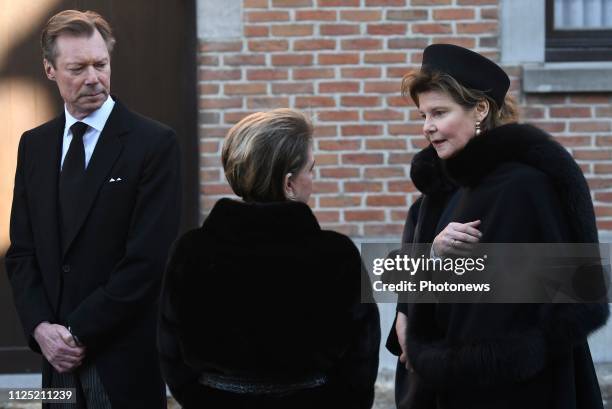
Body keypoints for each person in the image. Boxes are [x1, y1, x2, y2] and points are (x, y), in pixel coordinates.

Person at [386, 44, 610, 409]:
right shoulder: (435, 191)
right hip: (445, 387)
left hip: (517, 390)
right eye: (423, 114)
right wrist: (411, 300)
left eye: (439, 113)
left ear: (480, 109)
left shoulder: (525, 186)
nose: (428, 127)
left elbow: (573, 291)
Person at [5, 10, 180, 409]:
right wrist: (41, 330)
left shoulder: (153, 144)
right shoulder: (34, 146)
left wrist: (75, 332)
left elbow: (147, 261)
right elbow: (22, 253)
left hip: (122, 361)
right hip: (55, 366)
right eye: (77, 67)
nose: (92, 78)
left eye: (100, 65)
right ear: (50, 70)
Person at [158, 108, 380, 409]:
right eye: (310, 169)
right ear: (289, 183)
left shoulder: (190, 250)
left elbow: (170, 351)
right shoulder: (336, 255)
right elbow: (361, 361)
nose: (313, 179)